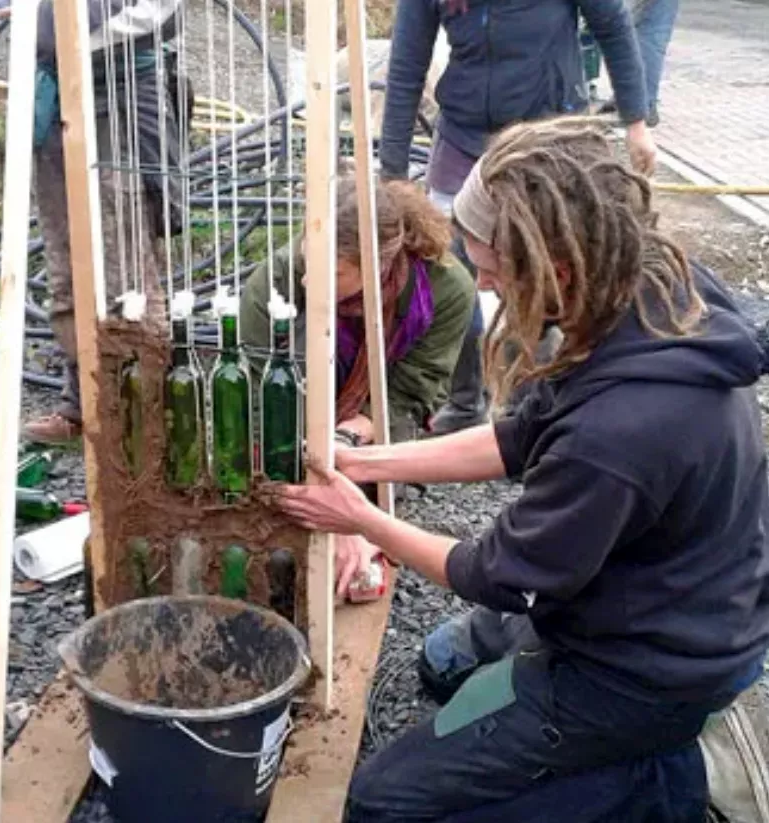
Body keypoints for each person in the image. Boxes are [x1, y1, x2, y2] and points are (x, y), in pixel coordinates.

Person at [274, 117, 769, 821]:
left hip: (644, 669)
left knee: (380, 804)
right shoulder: (642, 287)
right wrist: (360, 460)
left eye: (490, 267)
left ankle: (658, 783)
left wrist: (361, 519)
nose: (479, 281)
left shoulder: (619, 435)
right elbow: (521, 435)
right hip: (658, 591)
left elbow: (496, 576)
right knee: (441, 666)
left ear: (556, 270)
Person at [380, 0, 657, 436]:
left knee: (540, 278)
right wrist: (393, 177)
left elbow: (613, 24)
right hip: (464, 137)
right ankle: (465, 398)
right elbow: (406, 66)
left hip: (547, 142)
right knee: (451, 274)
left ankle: (534, 404)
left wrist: (636, 121)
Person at [241, 175, 475, 596]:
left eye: (333, 273)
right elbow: (258, 397)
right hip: (288, 421)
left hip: (374, 421)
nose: (309, 281)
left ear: (377, 266)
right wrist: (321, 482)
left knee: (357, 534)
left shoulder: (445, 289)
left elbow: (410, 393)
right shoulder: (277, 279)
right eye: (307, 262)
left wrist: (346, 450)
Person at [0, 1, 188, 446]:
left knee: (125, 270)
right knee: (65, 261)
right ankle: (83, 402)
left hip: (122, 96)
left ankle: (144, 416)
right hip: (54, 95)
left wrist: (51, 23)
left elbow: (161, 12)